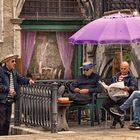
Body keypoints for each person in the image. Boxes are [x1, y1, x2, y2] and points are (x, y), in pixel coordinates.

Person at [0, 54, 34, 136]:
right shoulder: (0, 71)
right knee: (1, 122)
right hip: (2, 100)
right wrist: (8, 90)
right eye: (13, 61)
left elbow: (20, 79)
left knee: (7, 122)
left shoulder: (14, 72)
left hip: (9, 101)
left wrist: (28, 80)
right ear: (7, 62)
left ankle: (5, 138)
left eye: (15, 61)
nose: (15, 63)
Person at [102, 61, 137, 129]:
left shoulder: (132, 78)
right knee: (105, 104)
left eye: (124, 69)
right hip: (114, 96)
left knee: (121, 103)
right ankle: (118, 119)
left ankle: (115, 121)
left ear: (128, 68)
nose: (123, 70)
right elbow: (111, 85)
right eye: (121, 68)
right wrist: (107, 89)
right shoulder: (115, 77)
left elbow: (134, 87)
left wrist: (128, 88)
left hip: (124, 96)